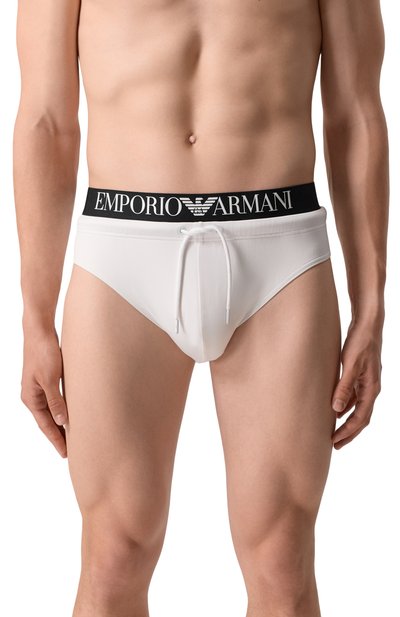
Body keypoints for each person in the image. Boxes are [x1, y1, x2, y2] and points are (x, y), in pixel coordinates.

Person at [13, 0, 389, 616]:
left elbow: (355, 110)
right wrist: (34, 315)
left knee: (281, 559)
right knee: (114, 554)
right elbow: (47, 120)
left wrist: (371, 307)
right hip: (123, 254)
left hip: (279, 252)